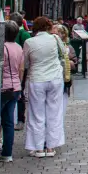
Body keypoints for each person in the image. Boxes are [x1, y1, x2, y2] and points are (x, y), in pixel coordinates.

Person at [23, 17, 66, 158]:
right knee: (54, 112)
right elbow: (63, 53)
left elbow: (25, 63)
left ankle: (38, 147)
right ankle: (51, 146)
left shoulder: (29, 42)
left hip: (37, 78)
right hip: (54, 78)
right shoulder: (54, 39)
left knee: (36, 114)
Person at [0, 21, 25, 163]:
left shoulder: (2, 48)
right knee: (8, 121)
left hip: (4, 86)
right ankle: (7, 153)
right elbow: (21, 69)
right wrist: (19, 84)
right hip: (15, 86)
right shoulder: (19, 48)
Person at [53, 24, 76, 108]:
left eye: (57, 33)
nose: (54, 36)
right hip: (53, 77)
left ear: (63, 34)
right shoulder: (51, 45)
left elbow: (74, 62)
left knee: (61, 102)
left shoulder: (68, 46)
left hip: (64, 77)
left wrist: (71, 62)